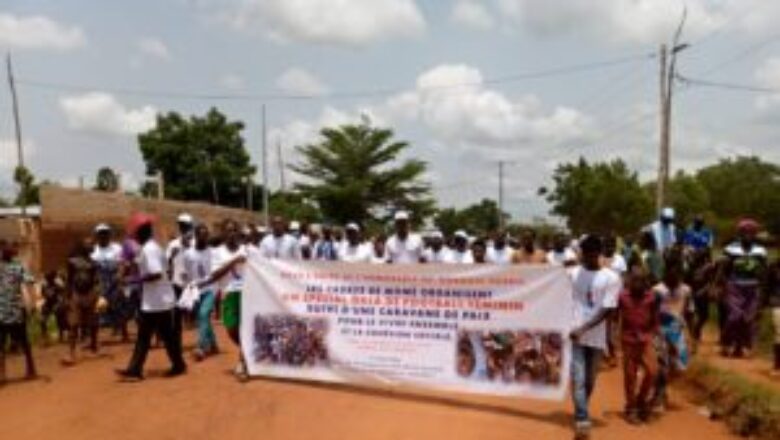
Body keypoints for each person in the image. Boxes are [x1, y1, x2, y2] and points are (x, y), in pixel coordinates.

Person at [116, 213, 186, 380]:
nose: (134, 236)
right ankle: (177, 365)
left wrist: (134, 280)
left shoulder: (149, 250)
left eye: (135, 233)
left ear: (141, 232)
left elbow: (156, 274)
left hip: (157, 301)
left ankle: (136, 370)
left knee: (148, 336)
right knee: (161, 336)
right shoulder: (150, 248)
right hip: (157, 300)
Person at [568, 235, 622, 439]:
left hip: (596, 337)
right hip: (575, 335)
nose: (587, 257)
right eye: (585, 253)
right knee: (578, 378)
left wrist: (584, 328)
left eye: (591, 254)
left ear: (598, 253)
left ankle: (581, 405)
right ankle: (582, 419)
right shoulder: (573, 274)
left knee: (589, 380)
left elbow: (608, 309)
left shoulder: (611, 278)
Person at [199, 219, 247, 378]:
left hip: (247, 293)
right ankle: (248, 352)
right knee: (231, 329)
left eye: (234, 230)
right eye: (228, 230)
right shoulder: (217, 252)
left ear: (238, 232)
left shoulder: (246, 249)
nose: (231, 233)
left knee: (245, 328)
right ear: (223, 233)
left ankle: (243, 362)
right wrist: (234, 261)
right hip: (228, 293)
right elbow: (214, 275)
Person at [618, 264, 660, 424]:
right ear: (630, 280)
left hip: (646, 338)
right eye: (635, 280)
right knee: (630, 375)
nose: (638, 284)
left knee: (652, 371)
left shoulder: (651, 297)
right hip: (628, 339)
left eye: (641, 280)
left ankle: (641, 400)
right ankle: (631, 408)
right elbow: (615, 317)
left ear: (645, 282)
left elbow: (655, 318)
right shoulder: (622, 296)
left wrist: (655, 335)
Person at [720, 219, 767, 358]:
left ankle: (741, 346)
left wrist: (763, 290)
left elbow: (764, 272)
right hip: (735, 286)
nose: (748, 235)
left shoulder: (760, 251)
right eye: (744, 232)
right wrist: (722, 286)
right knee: (735, 317)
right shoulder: (730, 249)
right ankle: (726, 342)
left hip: (753, 287)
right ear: (739, 233)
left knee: (748, 319)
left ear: (755, 234)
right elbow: (723, 270)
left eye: (751, 232)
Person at [652, 258, 693, 412]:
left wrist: (691, 334)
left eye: (678, 273)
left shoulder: (686, 290)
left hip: (678, 330)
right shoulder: (657, 290)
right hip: (660, 329)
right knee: (662, 364)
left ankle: (661, 388)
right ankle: (659, 395)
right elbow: (652, 312)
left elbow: (689, 311)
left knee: (680, 367)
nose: (674, 277)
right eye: (671, 273)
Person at [0, 239, 37, 384]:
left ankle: (31, 369)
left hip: (15, 311)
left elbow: (29, 282)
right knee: (4, 343)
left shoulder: (18, 267)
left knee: (24, 342)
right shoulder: (13, 266)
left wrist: (32, 303)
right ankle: (3, 374)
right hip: (5, 311)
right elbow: (30, 282)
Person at [91, 223, 130, 342]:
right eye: (101, 233)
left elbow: (124, 263)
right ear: (96, 235)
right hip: (100, 281)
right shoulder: (93, 250)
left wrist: (120, 274)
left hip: (115, 279)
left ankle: (124, 332)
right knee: (97, 307)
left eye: (105, 233)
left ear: (109, 235)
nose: (103, 236)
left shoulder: (117, 248)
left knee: (119, 304)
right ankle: (94, 338)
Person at [64, 238, 99, 366]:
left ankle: (94, 346)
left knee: (93, 322)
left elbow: (95, 280)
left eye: (92, 244)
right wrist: (67, 298)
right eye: (88, 244)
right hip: (76, 295)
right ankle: (71, 352)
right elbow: (69, 280)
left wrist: (97, 295)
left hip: (90, 294)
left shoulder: (93, 263)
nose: (91, 246)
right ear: (82, 246)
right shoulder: (72, 262)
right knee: (73, 324)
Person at [184, 224, 216, 361]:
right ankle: (213, 343)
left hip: (210, 289)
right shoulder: (188, 254)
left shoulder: (212, 252)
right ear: (196, 236)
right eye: (201, 235)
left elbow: (216, 271)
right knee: (203, 318)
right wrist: (188, 288)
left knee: (203, 314)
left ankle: (201, 347)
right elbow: (187, 273)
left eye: (206, 235)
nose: (204, 237)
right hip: (195, 290)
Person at [166, 213, 194, 347]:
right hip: (177, 283)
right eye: (181, 225)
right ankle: (177, 343)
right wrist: (172, 256)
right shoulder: (173, 244)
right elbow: (167, 262)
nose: (183, 228)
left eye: (185, 225)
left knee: (197, 315)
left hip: (192, 284)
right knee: (176, 316)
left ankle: (206, 342)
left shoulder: (195, 243)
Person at [39, 270, 67, 344]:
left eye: (50, 278)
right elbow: (43, 295)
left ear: (53, 278)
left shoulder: (58, 286)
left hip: (56, 303)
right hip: (48, 303)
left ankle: (61, 335)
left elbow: (62, 296)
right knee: (42, 319)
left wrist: (58, 304)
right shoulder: (44, 286)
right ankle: (45, 336)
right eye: (47, 278)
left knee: (59, 316)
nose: (48, 280)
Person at [768, 257, 780, 377]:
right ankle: (777, 365)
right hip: (778, 303)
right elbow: (766, 287)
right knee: (779, 334)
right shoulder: (774, 268)